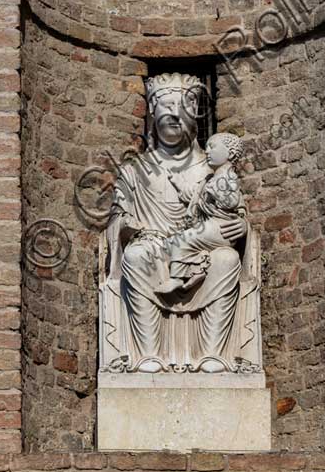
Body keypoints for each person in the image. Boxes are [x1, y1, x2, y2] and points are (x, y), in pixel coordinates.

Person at [105, 72, 247, 373]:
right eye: (164, 109)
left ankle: (213, 354)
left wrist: (243, 229)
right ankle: (148, 354)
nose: (172, 116)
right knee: (135, 256)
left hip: (202, 248)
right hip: (153, 246)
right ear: (153, 115)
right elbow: (117, 219)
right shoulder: (135, 170)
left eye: (180, 109)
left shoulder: (212, 169)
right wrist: (126, 226)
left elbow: (235, 210)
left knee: (228, 259)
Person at [155, 133, 246, 296]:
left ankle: (177, 278)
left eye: (212, 147)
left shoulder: (228, 177)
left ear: (230, 154)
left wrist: (216, 193)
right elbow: (192, 195)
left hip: (221, 227)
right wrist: (177, 182)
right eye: (206, 147)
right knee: (176, 241)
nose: (207, 151)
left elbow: (233, 202)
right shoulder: (209, 180)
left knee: (185, 239)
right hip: (210, 225)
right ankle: (197, 271)